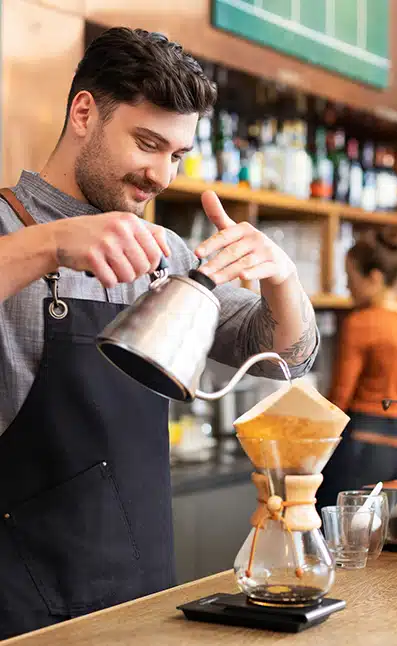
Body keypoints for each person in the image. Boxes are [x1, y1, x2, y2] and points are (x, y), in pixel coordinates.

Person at [0, 27, 318, 638]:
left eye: (176, 154)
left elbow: (284, 358)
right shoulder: (8, 224)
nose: (162, 176)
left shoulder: (165, 253)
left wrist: (280, 277)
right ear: (85, 113)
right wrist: (50, 243)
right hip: (19, 599)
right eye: (147, 144)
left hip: (142, 588)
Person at [318, 232, 397, 509]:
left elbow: (339, 398)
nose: (348, 286)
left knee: (335, 531)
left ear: (374, 278)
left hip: (363, 446)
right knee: (384, 539)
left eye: (351, 277)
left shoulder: (361, 323)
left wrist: (310, 446)